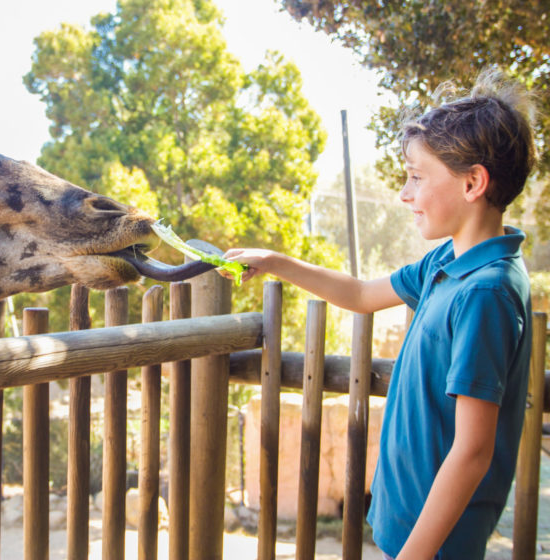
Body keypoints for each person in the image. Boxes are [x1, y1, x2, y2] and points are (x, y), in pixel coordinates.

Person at [222, 69, 537, 559]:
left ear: (473, 182)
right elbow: (361, 293)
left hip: (436, 543)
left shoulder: (486, 291)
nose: (405, 194)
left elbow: (473, 452)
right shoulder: (447, 260)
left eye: (417, 177)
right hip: (407, 523)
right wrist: (276, 262)